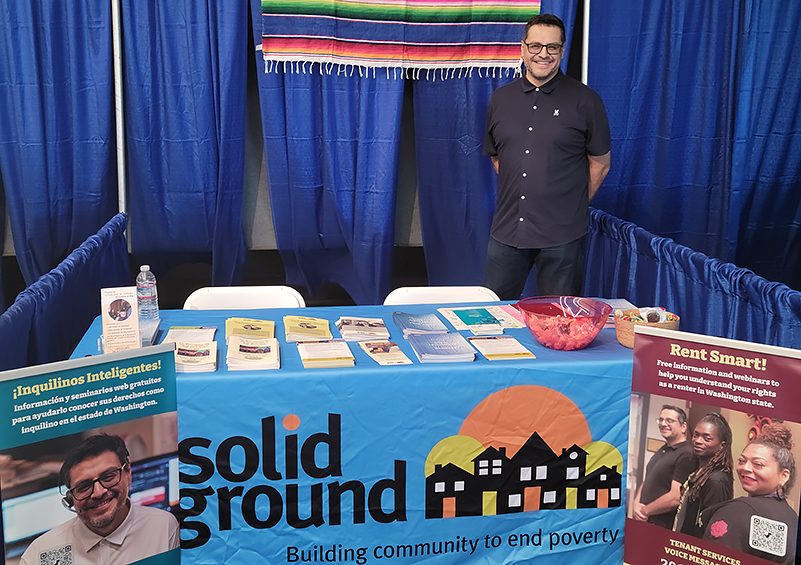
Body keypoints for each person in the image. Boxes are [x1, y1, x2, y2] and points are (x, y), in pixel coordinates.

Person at [482, 13, 611, 299]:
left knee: (559, 322)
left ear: (562, 51)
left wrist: (569, 203)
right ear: (523, 48)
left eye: (552, 47)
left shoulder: (586, 100)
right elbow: (498, 158)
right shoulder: (500, 99)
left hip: (563, 237)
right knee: (493, 319)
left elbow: (600, 164)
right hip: (507, 232)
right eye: (536, 46)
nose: (544, 54)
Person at [21, 433, 179, 565]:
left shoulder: (163, 527)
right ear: (70, 497)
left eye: (108, 476)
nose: (98, 492)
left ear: (128, 473)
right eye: (84, 486)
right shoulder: (39, 554)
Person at [702, 423, 797, 564]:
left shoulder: (738, 511)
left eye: (758, 464)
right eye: (742, 461)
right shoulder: (792, 516)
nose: (745, 468)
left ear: (784, 476)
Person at [632, 405, 695, 528]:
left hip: (660, 525)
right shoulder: (664, 449)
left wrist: (645, 511)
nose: (663, 423)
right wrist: (636, 503)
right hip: (645, 520)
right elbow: (649, 478)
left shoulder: (687, 454)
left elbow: (675, 498)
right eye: (660, 419)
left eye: (670, 421)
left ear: (684, 427)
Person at [673, 413, 734, 537]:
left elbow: (710, 527)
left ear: (721, 445)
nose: (697, 441)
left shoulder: (717, 480)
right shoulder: (698, 469)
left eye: (707, 438)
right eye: (696, 435)